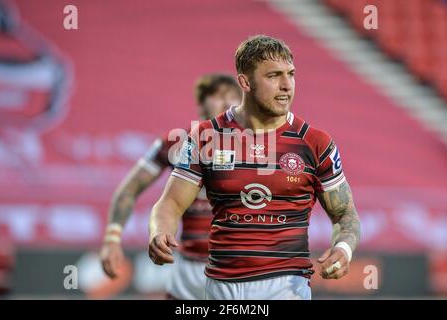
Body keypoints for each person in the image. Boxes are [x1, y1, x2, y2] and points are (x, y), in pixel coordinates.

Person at [148, 35, 361, 300]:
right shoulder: (205, 136)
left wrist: (343, 248)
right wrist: (160, 231)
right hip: (221, 286)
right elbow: (169, 204)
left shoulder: (315, 142)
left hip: (287, 285)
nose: (286, 86)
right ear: (245, 83)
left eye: (291, 74)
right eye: (273, 76)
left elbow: (345, 214)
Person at [99, 73, 242, 299]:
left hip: (240, 269)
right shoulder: (175, 143)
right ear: (201, 104)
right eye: (219, 96)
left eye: (235, 97)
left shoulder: (254, 147)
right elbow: (128, 190)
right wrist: (112, 239)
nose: (228, 103)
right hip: (188, 270)